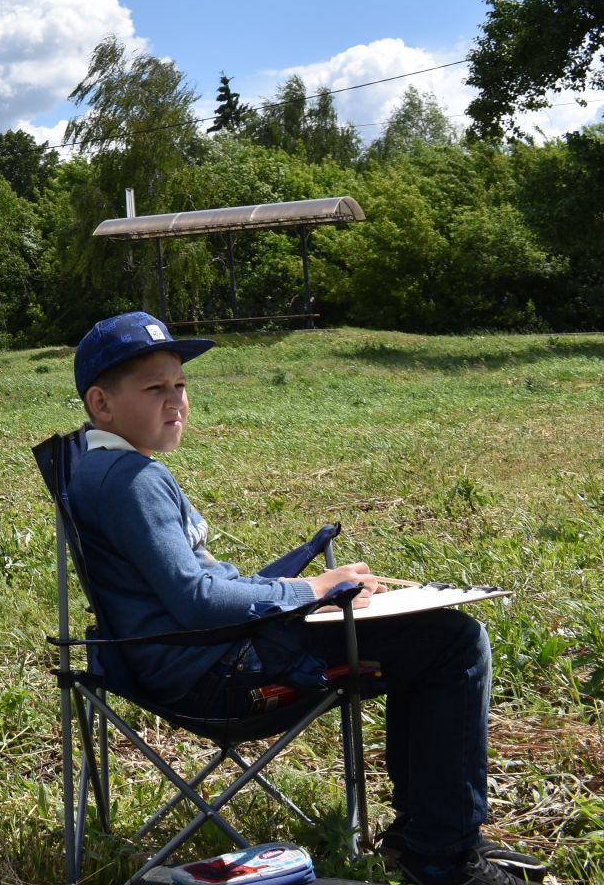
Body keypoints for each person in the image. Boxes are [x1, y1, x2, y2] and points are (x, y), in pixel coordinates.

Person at [65, 311, 543, 885]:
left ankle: (434, 832)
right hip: (218, 674)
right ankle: (441, 851)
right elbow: (194, 599)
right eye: (155, 388)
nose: (176, 401)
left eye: (181, 385)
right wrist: (311, 589)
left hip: (187, 656)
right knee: (453, 642)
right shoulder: (131, 481)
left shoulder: (97, 468)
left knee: (425, 636)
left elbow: (186, 594)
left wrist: (306, 592)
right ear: (101, 404)